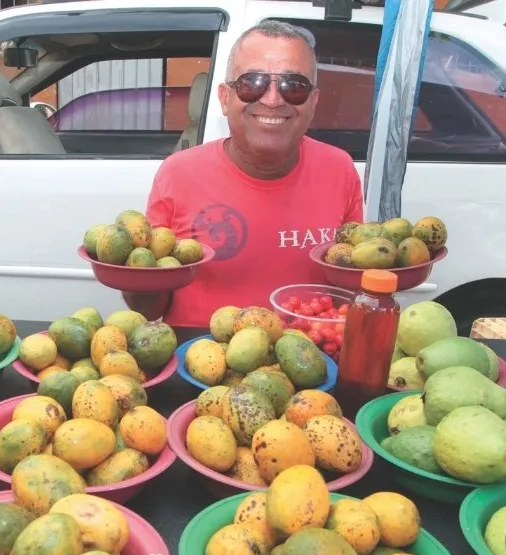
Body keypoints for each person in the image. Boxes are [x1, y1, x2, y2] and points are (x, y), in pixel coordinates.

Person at [124, 19, 364, 327]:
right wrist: (132, 276)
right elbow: (149, 309)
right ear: (225, 98)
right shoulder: (178, 173)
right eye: (253, 83)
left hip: (309, 362)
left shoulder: (339, 169)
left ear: (313, 102)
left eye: (294, 86)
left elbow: (352, 286)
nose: (273, 100)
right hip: (200, 365)